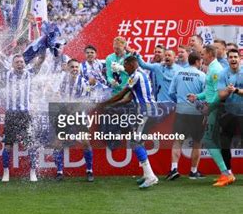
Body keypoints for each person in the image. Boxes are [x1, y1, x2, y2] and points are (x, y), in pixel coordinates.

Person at [98, 56, 159, 189]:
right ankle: (146, 174)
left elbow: (122, 94)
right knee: (137, 141)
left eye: (126, 66)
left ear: (132, 64)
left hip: (145, 112)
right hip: (147, 111)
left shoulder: (136, 76)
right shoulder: (140, 75)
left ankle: (150, 176)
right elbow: (129, 98)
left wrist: (105, 103)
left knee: (134, 141)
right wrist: (111, 106)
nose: (124, 69)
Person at [187, 45, 234, 187]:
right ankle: (226, 173)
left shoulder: (215, 70)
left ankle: (226, 173)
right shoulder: (213, 68)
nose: (201, 57)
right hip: (214, 108)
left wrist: (209, 108)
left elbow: (218, 95)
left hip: (216, 109)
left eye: (203, 54)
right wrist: (197, 96)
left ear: (209, 54)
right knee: (214, 140)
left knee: (207, 139)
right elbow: (209, 91)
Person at [0, 53, 45, 182]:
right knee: (8, 146)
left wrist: (44, 45)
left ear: (25, 63)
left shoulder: (30, 73)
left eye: (21, 62)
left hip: (25, 114)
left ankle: (32, 173)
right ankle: (6, 173)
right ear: (12, 64)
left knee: (30, 144)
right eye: (17, 62)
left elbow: (41, 60)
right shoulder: (7, 74)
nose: (19, 64)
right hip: (11, 114)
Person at [54, 59, 94, 182]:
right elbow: (57, 95)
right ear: (67, 68)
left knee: (86, 142)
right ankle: (59, 172)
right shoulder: (61, 81)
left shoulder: (84, 82)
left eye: (77, 67)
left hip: (79, 115)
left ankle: (89, 170)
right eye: (72, 67)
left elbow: (84, 101)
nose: (75, 69)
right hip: (64, 115)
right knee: (58, 143)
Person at [168, 52, 206, 180]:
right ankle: (193, 172)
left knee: (177, 141)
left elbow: (171, 92)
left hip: (181, 112)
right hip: (197, 113)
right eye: (201, 61)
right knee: (197, 143)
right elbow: (206, 95)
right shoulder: (202, 75)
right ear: (197, 62)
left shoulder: (178, 73)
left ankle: (173, 169)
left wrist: (180, 101)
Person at [217, 48, 243, 182]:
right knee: (224, 143)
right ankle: (228, 174)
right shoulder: (223, 74)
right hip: (229, 113)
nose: (233, 59)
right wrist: (228, 91)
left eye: (235, 57)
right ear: (227, 60)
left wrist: (236, 90)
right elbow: (220, 95)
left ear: (239, 59)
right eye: (231, 57)